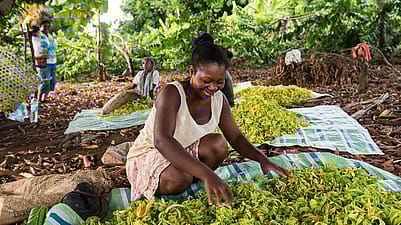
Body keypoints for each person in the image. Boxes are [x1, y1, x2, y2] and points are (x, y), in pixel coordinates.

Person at [126, 32, 289, 205]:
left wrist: (262, 159)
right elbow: (162, 141)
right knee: (180, 178)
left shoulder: (219, 100)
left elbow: (236, 137)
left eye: (219, 82)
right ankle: (189, 178)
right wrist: (207, 173)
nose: (213, 87)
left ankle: (197, 179)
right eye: (206, 80)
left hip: (182, 151)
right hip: (149, 153)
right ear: (191, 72)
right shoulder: (172, 93)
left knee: (218, 144)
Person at [32, 18, 57, 103]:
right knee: (44, 82)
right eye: (44, 26)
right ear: (40, 27)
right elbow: (32, 32)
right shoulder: (37, 35)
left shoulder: (50, 36)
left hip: (53, 61)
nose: (46, 28)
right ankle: (39, 99)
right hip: (42, 61)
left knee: (52, 83)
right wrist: (33, 28)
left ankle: (44, 98)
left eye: (48, 26)